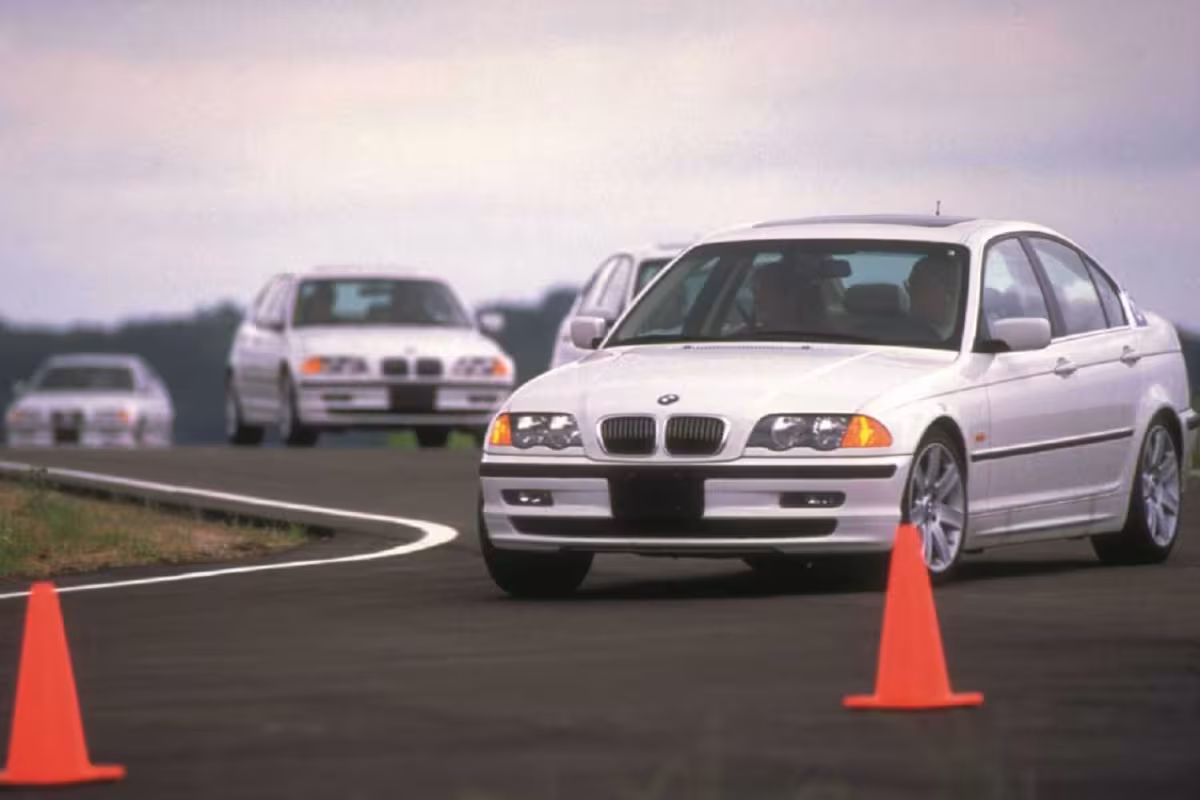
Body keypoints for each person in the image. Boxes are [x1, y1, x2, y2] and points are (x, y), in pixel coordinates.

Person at [907, 255, 961, 339]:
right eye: (910, 286)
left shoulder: (975, 334)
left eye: (920, 286)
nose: (910, 293)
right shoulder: (896, 335)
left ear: (949, 293)